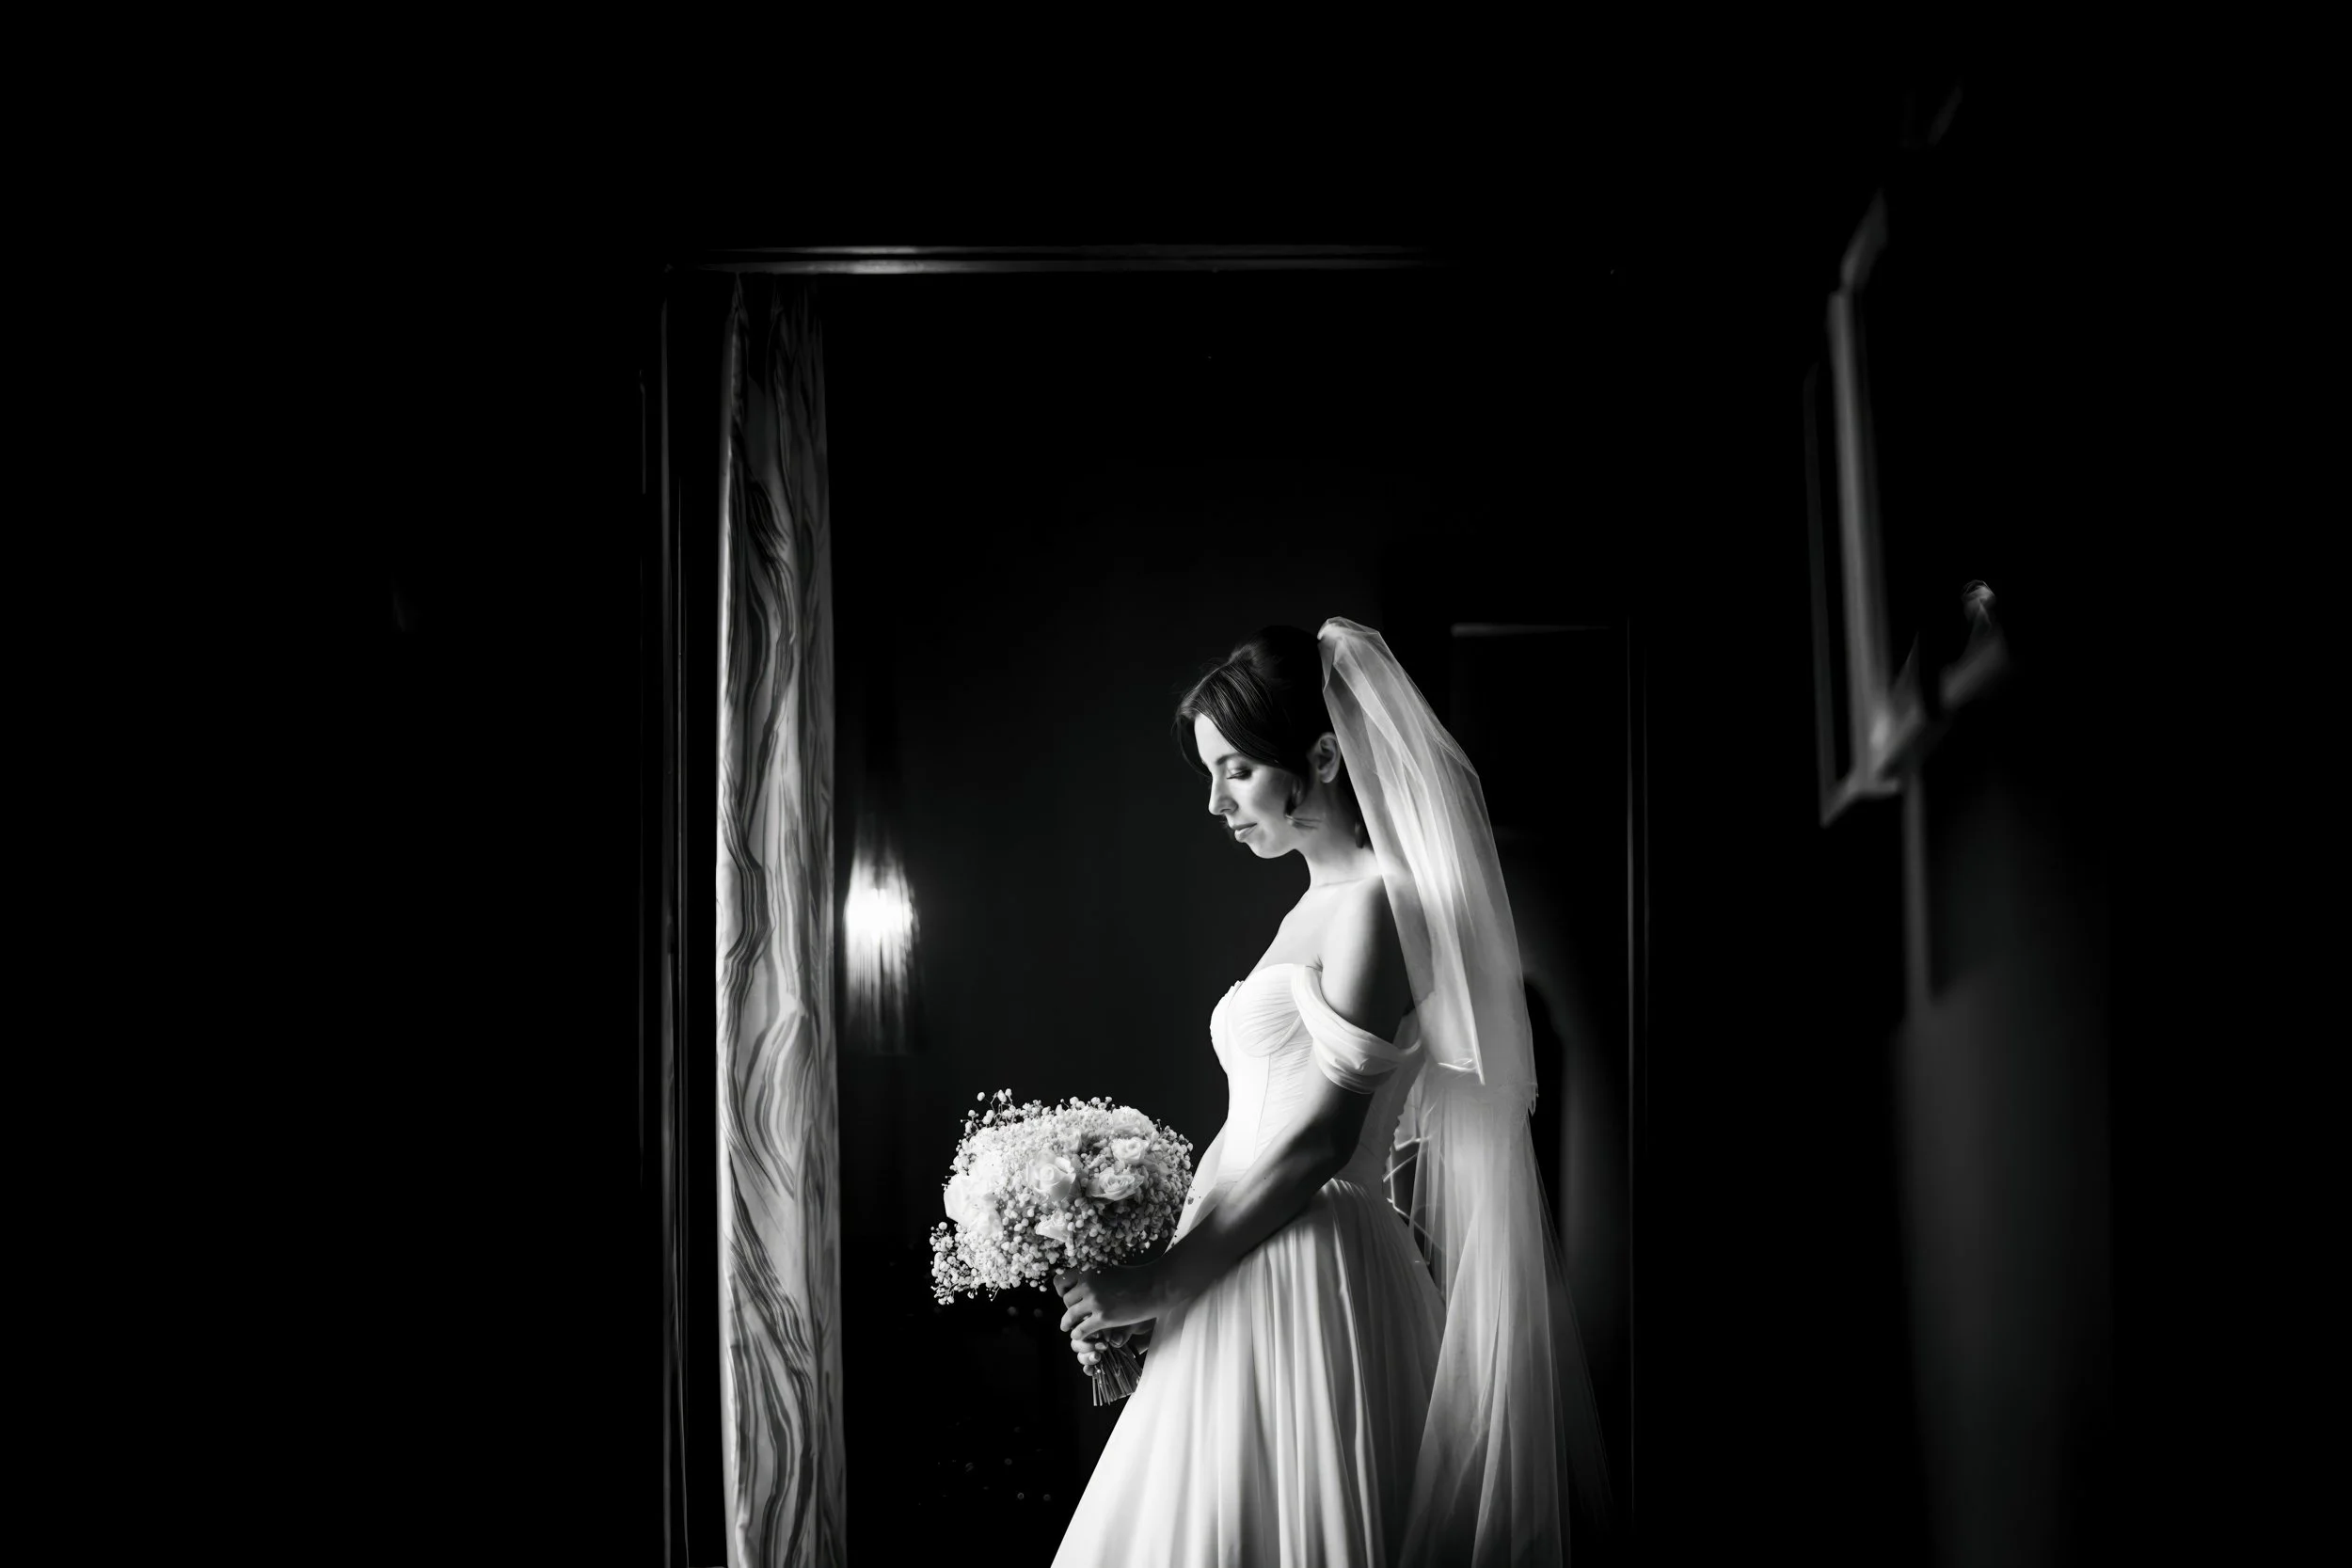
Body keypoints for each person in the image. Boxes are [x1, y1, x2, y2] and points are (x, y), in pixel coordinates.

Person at [1050, 620, 1610, 1567]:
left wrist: (1165, 1279)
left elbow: (1322, 1137)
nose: (1217, 801)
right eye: (1210, 773)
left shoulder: (1379, 900)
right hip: (1243, 1248)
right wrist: (1170, 1276)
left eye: (1235, 769)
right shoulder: (1310, 905)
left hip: (1311, 1259)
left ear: (1319, 756)